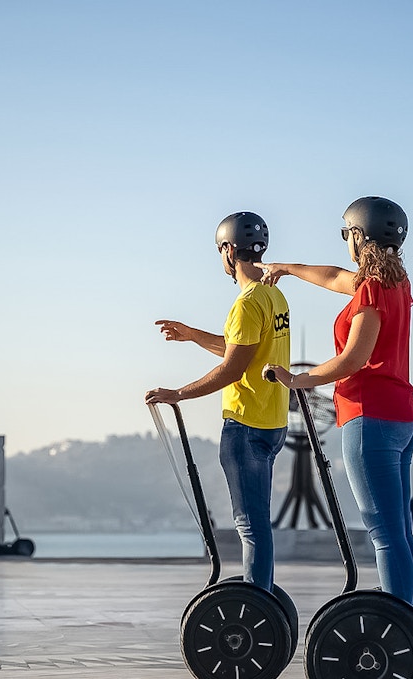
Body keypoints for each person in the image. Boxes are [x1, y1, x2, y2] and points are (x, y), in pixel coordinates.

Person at [260, 196, 413, 608]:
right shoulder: (394, 283)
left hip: (371, 418)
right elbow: (333, 276)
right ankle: (412, 616)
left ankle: (401, 626)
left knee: (384, 534)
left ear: (357, 236)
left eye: (346, 234)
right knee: (400, 531)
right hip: (403, 416)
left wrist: (298, 379)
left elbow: (354, 358)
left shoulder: (371, 289)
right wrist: (285, 269)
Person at [146, 212, 291, 591]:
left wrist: (177, 394)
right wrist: (192, 334)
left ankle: (258, 600)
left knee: (250, 525)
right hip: (273, 422)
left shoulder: (246, 303)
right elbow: (240, 350)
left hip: (245, 425)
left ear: (228, 250)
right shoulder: (274, 296)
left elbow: (232, 369)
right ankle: (263, 596)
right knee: (259, 522)